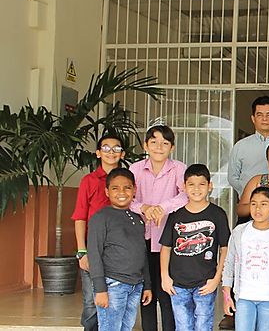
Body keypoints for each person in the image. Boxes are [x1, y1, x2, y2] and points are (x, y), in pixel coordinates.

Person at [129, 125, 188, 331]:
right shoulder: (135, 169)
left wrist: (162, 208)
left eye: (165, 143)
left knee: (167, 291)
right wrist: (144, 207)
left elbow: (185, 194)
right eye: (153, 142)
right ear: (145, 145)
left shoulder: (179, 168)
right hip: (142, 237)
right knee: (147, 292)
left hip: (169, 239)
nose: (159, 147)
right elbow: (128, 198)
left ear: (171, 147)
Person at [159, 164, 230, 331]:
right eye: (191, 184)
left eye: (202, 184)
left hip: (205, 283)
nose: (196, 189)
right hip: (177, 283)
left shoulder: (217, 214)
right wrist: (165, 276)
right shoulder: (176, 214)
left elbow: (225, 248)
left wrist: (217, 279)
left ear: (210, 186)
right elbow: (166, 247)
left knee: (203, 326)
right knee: (183, 326)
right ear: (184, 187)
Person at [87, 168, 153, 331]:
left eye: (127, 187)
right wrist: (100, 289)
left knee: (126, 327)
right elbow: (94, 255)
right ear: (107, 192)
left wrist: (147, 285)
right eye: (115, 188)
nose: (121, 192)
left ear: (134, 190)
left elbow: (142, 253)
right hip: (113, 285)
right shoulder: (101, 218)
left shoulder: (138, 219)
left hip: (135, 285)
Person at [72, 134, 126, 331]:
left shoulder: (127, 180)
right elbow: (80, 217)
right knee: (90, 300)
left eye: (116, 148)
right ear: (98, 153)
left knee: (116, 298)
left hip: (119, 251)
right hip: (93, 249)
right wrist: (82, 251)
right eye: (106, 148)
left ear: (123, 153)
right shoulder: (89, 180)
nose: (111, 152)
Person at [222, 187, 269, 331]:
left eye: (264, 204)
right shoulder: (240, 231)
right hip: (244, 296)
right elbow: (229, 263)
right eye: (253, 204)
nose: (258, 208)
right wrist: (227, 295)